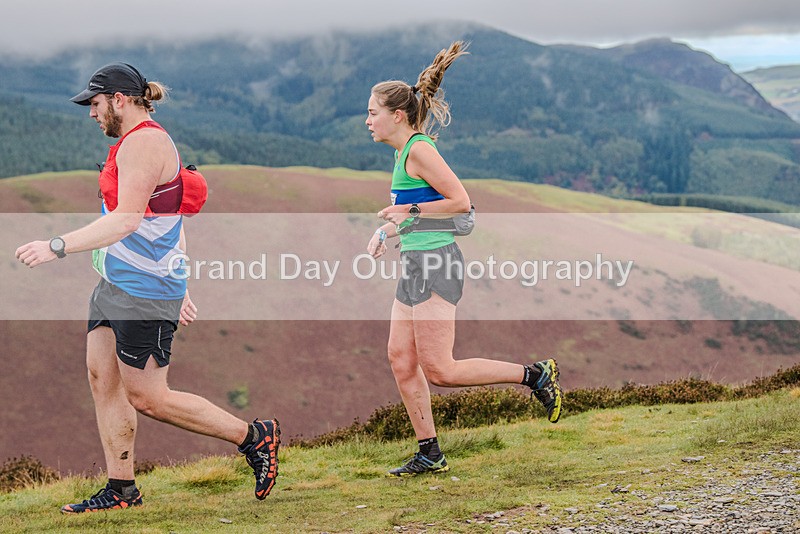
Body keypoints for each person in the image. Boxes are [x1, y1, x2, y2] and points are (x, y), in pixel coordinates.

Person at [14, 63, 279, 512]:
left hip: (146, 292)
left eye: (95, 104)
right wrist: (184, 280)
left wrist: (57, 246)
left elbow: (126, 220)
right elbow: (167, 222)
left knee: (149, 397)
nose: (91, 114)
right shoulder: (129, 145)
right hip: (114, 283)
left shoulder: (147, 143)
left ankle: (255, 437)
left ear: (119, 99)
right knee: (103, 382)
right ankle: (122, 490)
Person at [365, 42, 563, 477]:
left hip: (437, 266)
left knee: (441, 370)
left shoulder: (419, 149)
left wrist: (407, 213)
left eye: (373, 112)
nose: (368, 121)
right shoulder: (402, 154)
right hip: (415, 266)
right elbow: (420, 212)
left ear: (397, 115)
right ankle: (429, 452)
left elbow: (460, 202)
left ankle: (534, 375)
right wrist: (388, 230)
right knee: (401, 359)